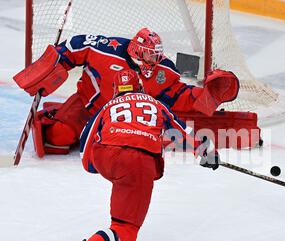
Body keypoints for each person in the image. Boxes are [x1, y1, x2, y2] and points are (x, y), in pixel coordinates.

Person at [48, 69, 220, 241]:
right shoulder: (154, 103)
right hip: (137, 162)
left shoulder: (107, 107)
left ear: (117, 90)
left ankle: (106, 237)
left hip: (106, 156)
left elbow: (86, 141)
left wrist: (98, 166)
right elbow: (180, 130)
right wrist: (204, 151)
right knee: (126, 230)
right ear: (139, 87)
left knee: (122, 194)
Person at [13, 27, 239, 156]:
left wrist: (211, 95)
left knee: (135, 153)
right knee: (57, 137)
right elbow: (73, 45)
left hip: (125, 119)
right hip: (88, 105)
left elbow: (177, 96)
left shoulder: (164, 70)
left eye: (157, 55)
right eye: (150, 55)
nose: (155, 60)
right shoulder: (105, 49)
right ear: (138, 51)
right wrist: (54, 64)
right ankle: (57, 116)